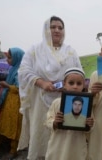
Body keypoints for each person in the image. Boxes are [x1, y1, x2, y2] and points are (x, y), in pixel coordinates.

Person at [17, 16, 82, 160]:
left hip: (64, 101)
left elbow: (79, 73)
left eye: (60, 27)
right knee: (40, 136)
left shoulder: (70, 51)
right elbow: (23, 70)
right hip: (39, 102)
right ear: (46, 29)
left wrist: (69, 85)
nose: (57, 30)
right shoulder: (35, 50)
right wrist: (42, 83)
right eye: (53, 27)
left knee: (63, 140)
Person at [45, 67, 94, 160]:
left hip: (77, 147)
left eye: (79, 83)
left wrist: (90, 124)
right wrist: (55, 122)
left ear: (83, 85)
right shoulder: (57, 103)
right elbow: (48, 120)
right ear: (64, 84)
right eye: (71, 83)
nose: (75, 86)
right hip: (58, 145)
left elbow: (90, 129)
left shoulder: (87, 105)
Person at [0, 47, 24, 159]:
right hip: (9, 100)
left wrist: (6, 85)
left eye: (9, 57)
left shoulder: (19, 71)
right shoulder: (13, 69)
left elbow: (20, 89)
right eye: (7, 57)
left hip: (16, 102)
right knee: (5, 122)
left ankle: (13, 150)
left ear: (17, 58)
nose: (7, 60)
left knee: (14, 125)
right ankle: (1, 146)